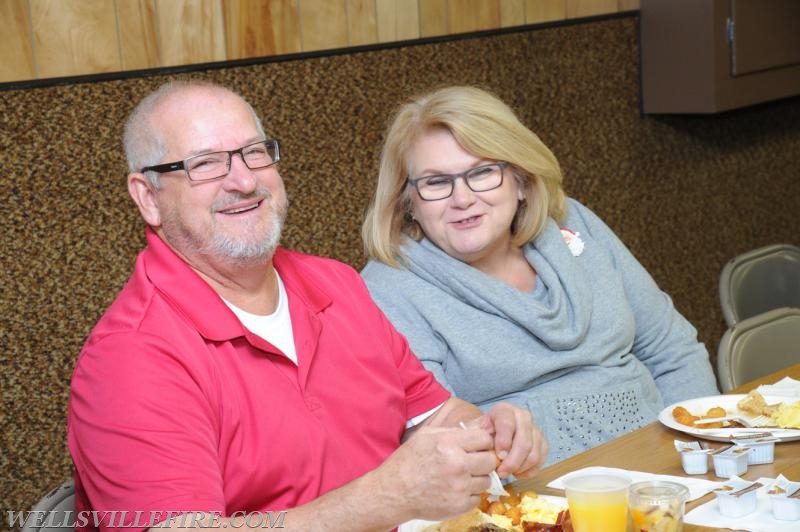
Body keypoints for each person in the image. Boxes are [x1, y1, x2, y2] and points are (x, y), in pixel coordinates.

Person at [67, 80, 548, 532]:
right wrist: (379, 499)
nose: (243, 180)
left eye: (254, 153)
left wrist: (490, 430)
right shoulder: (130, 357)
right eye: (206, 164)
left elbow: (436, 416)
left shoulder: (334, 283)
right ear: (147, 197)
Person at [360, 85, 719, 466]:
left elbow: (672, 351)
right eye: (436, 182)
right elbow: (439, 439)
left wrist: (699, 455)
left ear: (521, 180)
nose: (461, 199)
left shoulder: (574, 224)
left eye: (482, 173)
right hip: (538, 503)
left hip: (668, 468)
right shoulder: (390, 288)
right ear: (407, 201)